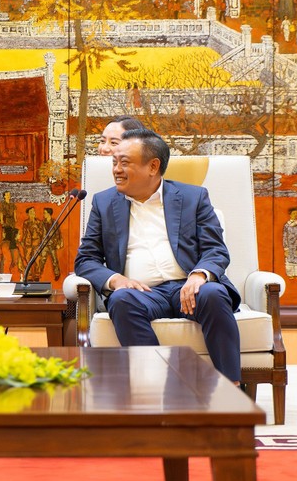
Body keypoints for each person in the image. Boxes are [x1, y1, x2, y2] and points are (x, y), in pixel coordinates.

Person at [74, 128, 242, 384]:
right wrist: (117, 280)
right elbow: (86, 259)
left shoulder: (193, 197)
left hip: (188, 287)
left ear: (153, 166)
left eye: (125, 163)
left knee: (213, 293)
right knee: (121, 300)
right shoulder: (104, 203)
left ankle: (231, 389)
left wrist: (199, 275)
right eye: (114, 162)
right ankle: (160, 388)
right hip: (143, 293)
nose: (116, 170)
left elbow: (215, 249)